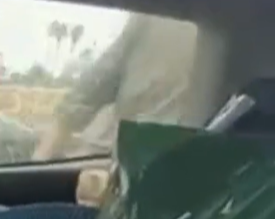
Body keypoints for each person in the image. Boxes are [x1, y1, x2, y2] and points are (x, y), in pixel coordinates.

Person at [32, 12, 198, 160]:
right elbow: (102, 76)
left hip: (137, 153)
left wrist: (52, 139)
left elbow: (104, 74)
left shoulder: (157, 12)